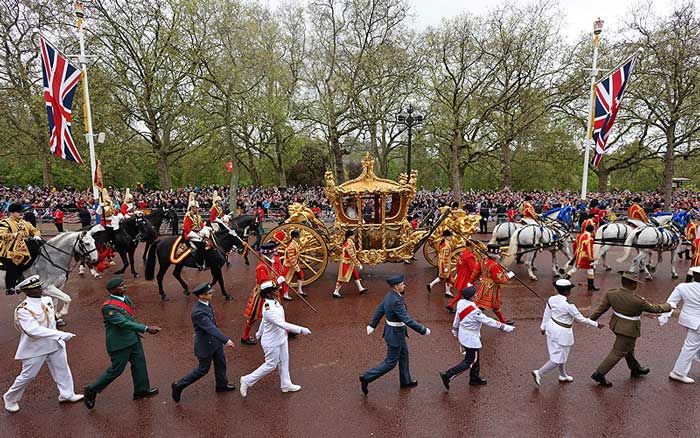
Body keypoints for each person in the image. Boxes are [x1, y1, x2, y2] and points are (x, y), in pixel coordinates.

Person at [3, 275, 83, 413]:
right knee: (28, 375)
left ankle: (67, 394)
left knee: (62, 368)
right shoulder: (23, 310)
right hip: (35, 347)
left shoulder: (47, 300)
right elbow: (33, 331)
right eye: (35, 288)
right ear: (27, 291)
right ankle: (10, 398)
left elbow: (51, 321)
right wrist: (60, 334)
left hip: (54, 344)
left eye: (39, 286)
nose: (40, 289)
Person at [83, 277, 161, 409]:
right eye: (121, 286)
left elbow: (130, 318)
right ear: (113, 290)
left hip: (133, 339)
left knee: (139, 364)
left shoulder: (126, 299)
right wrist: (146, 328)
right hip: (119, 343)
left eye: (124, 285)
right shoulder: (108, 307)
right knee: (116, 370)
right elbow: (123, 323)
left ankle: (141, 390)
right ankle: (92, 389)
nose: (124, 287)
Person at [589, 271, 674, 387]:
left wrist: (590, 320)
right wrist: (668, 306)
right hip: (628, 330)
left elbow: (601, 309)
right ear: (633, 284)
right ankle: (599, 373)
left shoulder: (611, 294)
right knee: (618, 352)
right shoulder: (637, 300)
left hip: (616, 325)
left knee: (628, 348)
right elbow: (655, 309)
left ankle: (635, 368)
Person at [359, 274, 431, 395]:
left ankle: (405, 381)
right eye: (402, 284)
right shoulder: (396, 301)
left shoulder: (390, 295)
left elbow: (380, 309)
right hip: (395, 334)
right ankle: (366, 377)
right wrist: (423, 330)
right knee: (391, 362)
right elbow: (407, 320)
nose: (404, 285)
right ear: (396, 286)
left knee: (404, 355)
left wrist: (373, 325)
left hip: (396, 332)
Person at [239, 280, 311, 398]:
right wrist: (301, 329)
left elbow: (264, 321)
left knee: (284, 361)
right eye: (275, 290)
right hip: (271, 342)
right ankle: (247, 380)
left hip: (281, 338)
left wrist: (259, 332)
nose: (277, 291)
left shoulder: (273, 302)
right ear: (268, 294)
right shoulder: (269, 309)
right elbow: (282, 324)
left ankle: (286, 384)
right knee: (271, 365)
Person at [439, 285, 514, 390]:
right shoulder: (475, 310)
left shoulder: (461, 303)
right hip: (470, 337)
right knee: (470, 360)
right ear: (471, 297)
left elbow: (457, 316)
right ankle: (448, 375)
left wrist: (455, 329)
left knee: (475, 357)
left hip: (463, 333)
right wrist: (504, 327)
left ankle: (474, 378)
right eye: (475, 294)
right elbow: (488, 321)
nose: (476, 295)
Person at [171, 283, 236, 403]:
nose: (211, 294)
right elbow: (211, 327)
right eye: (209, 293)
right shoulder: (198, 312)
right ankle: (179, 385)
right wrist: (226, 340)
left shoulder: (205, 304)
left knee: (220, 363)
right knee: (203, 370)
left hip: (215, 342)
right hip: (205, 345)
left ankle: (222, 384)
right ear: (201, 296)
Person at [531, 279, 602, 387]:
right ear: (567, 291)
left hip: (551, 328)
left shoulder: (551, 299)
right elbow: (580, 319)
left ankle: (563, 375)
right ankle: (539, 372)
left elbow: (547, 313)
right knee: (556, 359)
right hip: (562, 333)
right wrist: (596, 324)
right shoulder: (569, 305)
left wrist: (543, 326)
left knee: (561, 355)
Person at [659, 267, 700, 384]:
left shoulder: (682, 287)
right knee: (690, 347)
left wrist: (664, 316)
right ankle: (678, 372)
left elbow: (671, 303)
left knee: (693, 345)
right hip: (698, 323)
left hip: (687, 319)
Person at [241, 243, 288, 345]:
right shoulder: (261, 267)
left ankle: (286, 330)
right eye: (273, 253)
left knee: (278, 312)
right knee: (253, 317)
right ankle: (245, 336)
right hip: (263, 294)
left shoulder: (269, 263)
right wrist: (277, 282)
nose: (274, 254)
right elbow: (264, 285)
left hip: (272, 293)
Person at [0, 202, 41, 295]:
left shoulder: (25, 223)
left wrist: (37, 236)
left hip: (24, 249)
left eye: (22, 211)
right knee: (12, 263)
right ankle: (10, 287)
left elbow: (35, 230)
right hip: (8, 250)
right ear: (11, 213)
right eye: (18, 212)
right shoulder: (5, 222)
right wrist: (13, 236)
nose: (21, 213)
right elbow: (1, 235)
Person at [470, 244, 515, 324]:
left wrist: (471, 281)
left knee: (495, 306)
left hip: (484, 285)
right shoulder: (494, 265)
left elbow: (476, 272)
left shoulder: (483, 261)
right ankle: (470, 318)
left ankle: (503, 321)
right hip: (492, 288)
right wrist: (508, 276)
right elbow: (499, 280)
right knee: (482, 306)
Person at [332, 229, 368, 298]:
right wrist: (358, 264)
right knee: (342, 278)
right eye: (353, 235)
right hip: (347, 263)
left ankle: (360, 288)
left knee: (356, 275)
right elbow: (352, 255)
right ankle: (336, 292)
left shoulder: (348, 242)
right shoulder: (349, 244)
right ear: (350, 236)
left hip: (349, 263)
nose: (354, 236)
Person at [566, 224, 599, 291]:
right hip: (586, 256)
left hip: (579, 254)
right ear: (592, 230)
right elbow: (589, 248)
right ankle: (590, 287)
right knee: (590, 270)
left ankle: (564, 280)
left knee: (575, 269)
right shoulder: (589, 238)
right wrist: (590, 258)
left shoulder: (579, 235)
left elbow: (575, 245)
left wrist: (575, 253)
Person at [426, 230, 455, 297]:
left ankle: (431, 285)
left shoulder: (442, 243)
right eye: (450, 236)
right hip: (445, 264)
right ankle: (447, 292)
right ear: (446, 237)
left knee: (443, 277)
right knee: (447, 277)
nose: (451, 237)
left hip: (441, 262)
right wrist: (446, 267)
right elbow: (446, 257)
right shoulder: (446, 246)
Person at [183, 193, 206, 270]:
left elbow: (201, 225)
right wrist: (197, 235)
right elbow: (186, 228)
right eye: (196, 208)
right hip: (190, 233)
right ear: (192, 208)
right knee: (201, 244)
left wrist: (206, 228)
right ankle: (199, 262)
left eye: (197, 208)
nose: (197, 209)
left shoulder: (198, 216)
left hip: (197, 232)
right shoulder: (188, 215)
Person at [283, 229, 306, 296]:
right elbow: (291, 258)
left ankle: (300, 291)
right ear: (295, 237)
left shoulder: (294, 244)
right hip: (289, 265)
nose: (299, 238)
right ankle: (285, 295)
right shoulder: (291, 246)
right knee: (287, 280)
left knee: (300, 275)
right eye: (298, 237)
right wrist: (297, 267)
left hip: (293, 264)